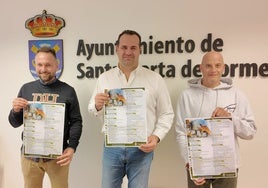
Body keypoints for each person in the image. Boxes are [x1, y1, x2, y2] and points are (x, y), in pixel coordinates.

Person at [88, 30, 174, 188]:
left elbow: (167, 113)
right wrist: (98, 105)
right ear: (117, 48)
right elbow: (92, 108)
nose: (128, 52)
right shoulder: (104, 78)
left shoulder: (155, 79)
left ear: (140, 49)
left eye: (133, 48)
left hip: (142, 149)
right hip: (112, 148)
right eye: (124, 47)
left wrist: (156, 137)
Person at [175, 51, 257, 188]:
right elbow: (181, 132)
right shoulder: (187, 96)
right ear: (200, 68)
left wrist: (230, 118)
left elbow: (250, 132)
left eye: (217, 65)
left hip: (228, 166)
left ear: (223, 67)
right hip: (198, 164)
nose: (213, 70)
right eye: (208, 66)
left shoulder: (237, 94)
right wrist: (189, 161)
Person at [8, 46, 83, 188]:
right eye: (40, 64)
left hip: (58, 157)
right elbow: (15, 123)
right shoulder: (26, 88)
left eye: (48, 65)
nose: (43, 69)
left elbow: (76, 122)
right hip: (30, 157)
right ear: (35, 65)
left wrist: (72, 146)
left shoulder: (68, 91)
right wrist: (15, 110)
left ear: (57, 65)